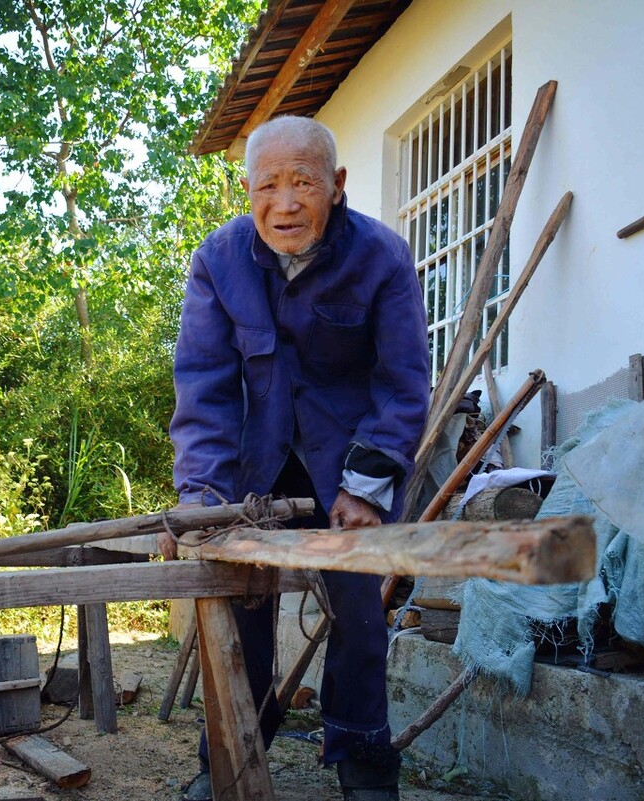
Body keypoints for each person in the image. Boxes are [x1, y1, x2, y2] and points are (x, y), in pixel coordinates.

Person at [162, 115, 431, 801]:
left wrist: (367, 488)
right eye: (269, 185)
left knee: (360, 617)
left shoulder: (383, 258)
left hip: (348, 467)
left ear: (336, 186)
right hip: (250, 469)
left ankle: (363, 763)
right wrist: (202, 502)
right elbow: (205, 388)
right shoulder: (217, 262)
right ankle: (225, 757)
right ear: (246, 189)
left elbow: (400, 384)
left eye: (304, 183)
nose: (285, 203)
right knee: (239, 610)